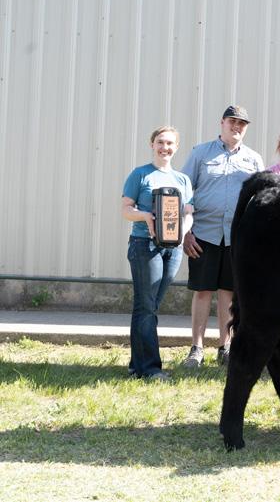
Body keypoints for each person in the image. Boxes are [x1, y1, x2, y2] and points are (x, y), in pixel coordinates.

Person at [180, 105, 264, 368]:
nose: (236, 127)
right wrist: (185, 232)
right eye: (232, 121)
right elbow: (183, 191)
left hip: (236, 237)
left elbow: (260, 200)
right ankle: (196, 349)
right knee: (203, 291)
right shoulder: (201, 153)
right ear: (222, 123)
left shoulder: (253, 159)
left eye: (242, 124)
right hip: (203, 234)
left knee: (229, 292)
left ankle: (225, 347)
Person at [121, 126, 193, 380]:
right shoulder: (140, 174)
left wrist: (183, 232)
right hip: (145, 245)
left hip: (172, 249)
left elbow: (188, 213)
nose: (165, 147)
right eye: (160, 142)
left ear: (176, 147)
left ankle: (136, 366)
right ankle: (151, 369)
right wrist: (146, 216)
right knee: (147, 307)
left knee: (148, 306)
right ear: (152, 144)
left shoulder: (182, 180)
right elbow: (126, 209)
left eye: (170, 143)